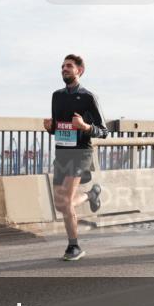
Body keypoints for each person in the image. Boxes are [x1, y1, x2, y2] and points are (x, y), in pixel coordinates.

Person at [43, 54, 107, 261]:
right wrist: (49, 128)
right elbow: (58, 129)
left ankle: (74, 246)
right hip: (62, 153)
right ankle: (91, 195)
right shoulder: (57, 96)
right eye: (62, 66)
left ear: (80, 71)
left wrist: (85, 127)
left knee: (67, 201)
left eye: (69, 66)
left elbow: (103, 131)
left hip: (81, 153)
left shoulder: (89, 97)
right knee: (61, 204)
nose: (64, 69)